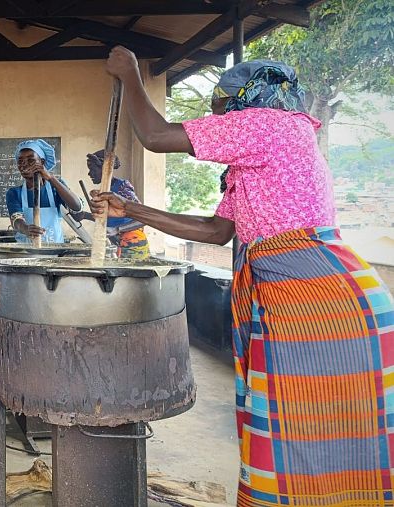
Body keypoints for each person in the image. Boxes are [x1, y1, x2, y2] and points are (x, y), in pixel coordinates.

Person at [93, 46, 394, 506]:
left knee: (308, 433)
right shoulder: (254, 161)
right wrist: (130, 209)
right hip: (302, 296)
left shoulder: (270, 125)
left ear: (244, 100)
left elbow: (154, 135)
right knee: (290, 430)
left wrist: (131, 72)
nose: (213, 113)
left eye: (217, 102)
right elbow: (215, 232)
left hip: (317, 299)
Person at [71, 151, 150, 259]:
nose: (89, 174)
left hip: (133, 245)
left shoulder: (121, 188)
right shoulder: (105, 191)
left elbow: (144, 218)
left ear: (105, 168)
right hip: (117, 245)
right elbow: (110, 220)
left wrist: (117, 230)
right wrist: (85, 215)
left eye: (92, 169)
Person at [5, 139, 82, 243]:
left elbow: (76, 207)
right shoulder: (14, 193)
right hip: (26, 252)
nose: (24, 165)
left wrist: (51, 178)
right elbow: (16, 221)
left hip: (55, 250)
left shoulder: (56, 187)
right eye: (20, 161)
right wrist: (26, 229)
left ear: (42, 162)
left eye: (31, 160)